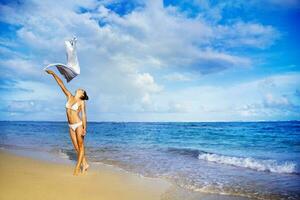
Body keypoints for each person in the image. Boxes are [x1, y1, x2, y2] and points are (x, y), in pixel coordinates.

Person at [45, 69, 89, 175]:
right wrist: (53, 74)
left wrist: (84, 128)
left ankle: (77, 169)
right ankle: (85, 164)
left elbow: (84, 115)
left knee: (81, 146)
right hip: (71, 126)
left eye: (81, 90)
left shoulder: (82, 102)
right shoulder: (69, 96)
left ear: (82, 94)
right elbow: (61, 85)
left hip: (78, 125)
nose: (79, 89)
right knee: (76, 147)